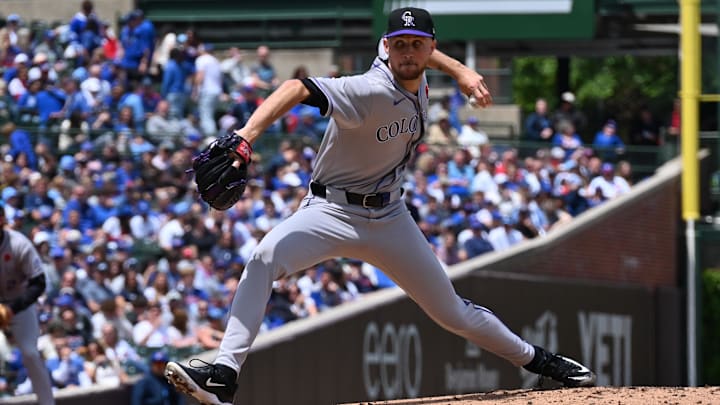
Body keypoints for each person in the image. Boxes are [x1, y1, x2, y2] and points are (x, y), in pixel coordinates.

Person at [164, 7, 596, 405]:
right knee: (264, 256)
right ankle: (224, 373)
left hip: (390, 217)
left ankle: (541, 363)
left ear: (430, 46)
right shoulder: (367, 89)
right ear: (385, 47)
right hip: (331, 212)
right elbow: (296, 87)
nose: (408, 52)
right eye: (399, 44)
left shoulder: (419, 66)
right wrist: (246, 135)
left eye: (417, 44)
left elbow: (425, 57)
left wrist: (462, 70)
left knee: (452, 312)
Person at [0, 208, 55, 404]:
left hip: (19, 304)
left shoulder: (18, 244)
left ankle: (47, 402)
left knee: (31, 353)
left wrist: (12, 308)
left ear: (2, 220)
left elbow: (38, 283)